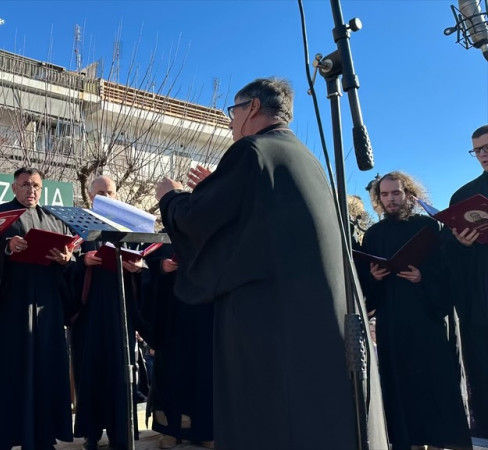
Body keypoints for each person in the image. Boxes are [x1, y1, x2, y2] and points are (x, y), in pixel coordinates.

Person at [155, 77, 388, 449]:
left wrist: (171, 198)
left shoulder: (251, 150)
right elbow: (264, 225)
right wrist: (217, 188)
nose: (230, 123)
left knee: (270, 422)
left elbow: (197, 221)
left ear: (251, 108)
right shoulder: (305, 158)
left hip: (269, 323)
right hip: (312, 322)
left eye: (232, 112)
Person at [358, 172, 470, 450]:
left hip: (428, 323)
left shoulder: (429, 228)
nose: (390, 199)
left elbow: (449, 272)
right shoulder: (374, 234)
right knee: (401, 391)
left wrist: (423, 277)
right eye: (384, 194)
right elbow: (365, 288)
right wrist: (374, 277)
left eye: (396, 193)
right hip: (393, 327)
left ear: (408, 194)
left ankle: (440, 443)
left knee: (436, 388)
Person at [0, 167, 76, 450]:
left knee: (46, 369)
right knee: (9, 370)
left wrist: (66, 259)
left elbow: (73, 256)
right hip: (10, 308)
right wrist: (6, 247)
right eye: (25, 185)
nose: (31, 191)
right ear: (13, 187)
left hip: (46, 308)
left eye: (36, 186)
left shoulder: (55, 219)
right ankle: (5, 437)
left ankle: (44, 437)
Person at [70, 175, 145, 450]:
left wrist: (137, 268)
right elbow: (66, 260)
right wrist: (83, 261)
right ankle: (91, 433)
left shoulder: (129, 224)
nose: (106, 197)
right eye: (100, 192)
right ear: (91, 196)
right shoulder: (78, 224)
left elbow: (142, 258)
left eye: (110, 192)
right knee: (90, 369)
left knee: (119, 370)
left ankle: (120, 433)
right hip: (89, 311)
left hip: (119, 309)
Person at [141, 240, 214, 449]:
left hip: (203, 315)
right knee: (171, 374)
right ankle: (171, 430)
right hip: (170, 319)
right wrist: (160, 267)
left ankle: (204, 431)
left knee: (203, 373)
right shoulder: (161, 240)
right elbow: (144, 268)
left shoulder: (206, 234)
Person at [446, 124, 488, 440]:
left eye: (487, 147)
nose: (483, 155)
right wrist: (460, 244)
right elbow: (450, 256)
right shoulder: (464, 196)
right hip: (480, 302)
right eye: (477, 150)